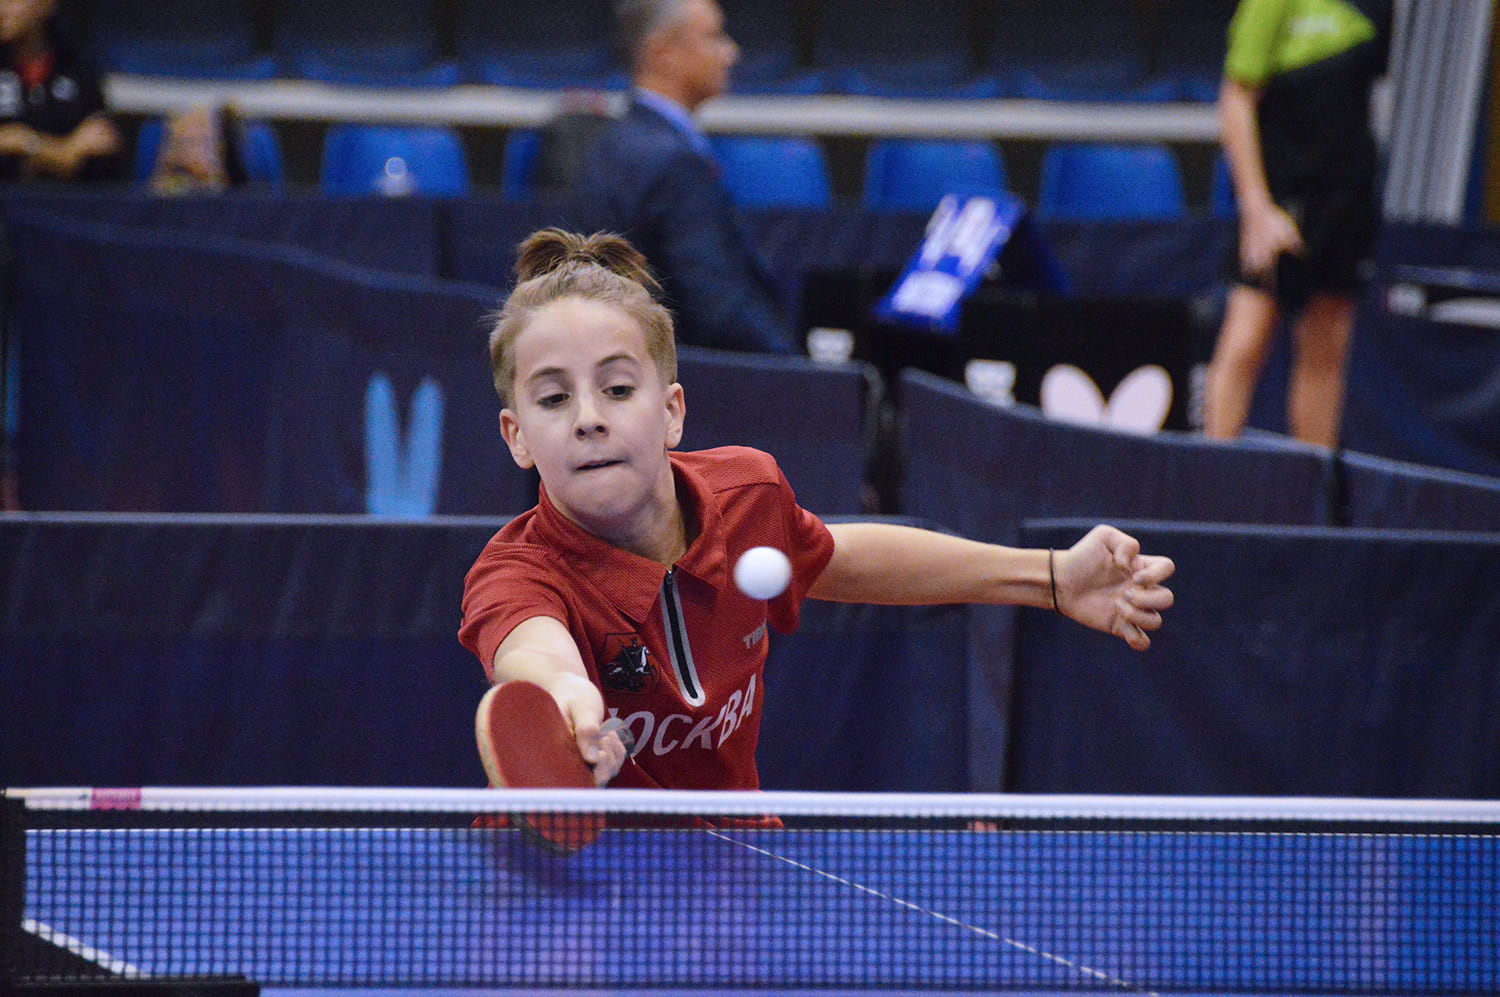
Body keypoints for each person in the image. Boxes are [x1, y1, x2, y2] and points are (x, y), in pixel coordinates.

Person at [458, 228, 1176, 801]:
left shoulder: (746, 496)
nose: (588, 418)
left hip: (736, 873)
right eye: (553, 398)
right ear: (516, 436)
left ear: (672, 411)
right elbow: (534, 651)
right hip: (582, 884)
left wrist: (1051, 576)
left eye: (617, 388)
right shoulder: (516, 574)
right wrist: (565, 695)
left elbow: (840, 557)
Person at [1201, 0, 1390, 447]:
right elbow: (1235, 101)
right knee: (1245, 342)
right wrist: (1257, 210)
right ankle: (1209, 475)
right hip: (1283, 200)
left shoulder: (1375, 8)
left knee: (1326, 353)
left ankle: (1314, 485)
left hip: (1346, 202)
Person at [571, 0, 800, 355]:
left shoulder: (613, 142)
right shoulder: (673, 162)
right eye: (714, 36)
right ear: (660, 54)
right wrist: (802, 370)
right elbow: (720, 307)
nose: (731, 52)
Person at [0, 0, 121, 182]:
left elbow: (100, 140)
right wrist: (62, 152)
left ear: (45, 5)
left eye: (12, 0)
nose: (2, 9)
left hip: (63, 197)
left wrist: (27, 144)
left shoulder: (76, 70)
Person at [148, 104, 249, 195]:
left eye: (203, 142)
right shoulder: (163, 193)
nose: (202, 152)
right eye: (188, 141)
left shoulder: (234, 195)